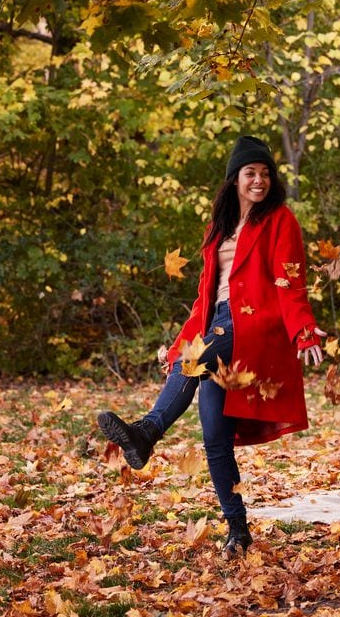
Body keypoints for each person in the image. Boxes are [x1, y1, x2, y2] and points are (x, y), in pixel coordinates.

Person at [97, 135, 326, 557]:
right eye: (250, 173)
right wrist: (181, 345)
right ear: (234, 179)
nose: (258, 180)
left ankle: (147, 431)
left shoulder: (281, 220)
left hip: (252, 326)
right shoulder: (218, 226)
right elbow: (205, 298)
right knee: (215, 437)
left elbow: (289, 281)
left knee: (195, 363)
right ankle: (237, 530)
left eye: (265, 173)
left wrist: (304, 330)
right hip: (218, 324)